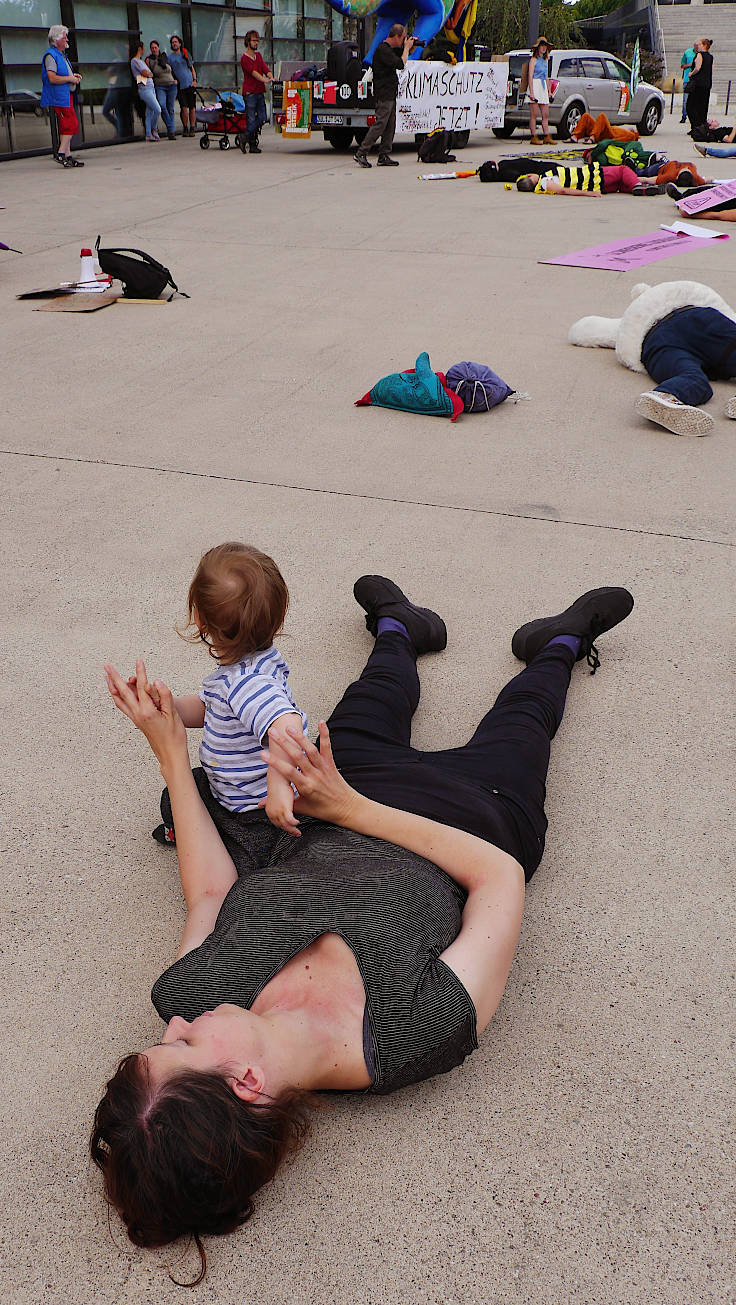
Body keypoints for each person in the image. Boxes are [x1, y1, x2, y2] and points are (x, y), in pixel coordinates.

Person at [93, 574, 634, 1272]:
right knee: (526, 718)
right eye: (183, 1042)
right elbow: (498, 876)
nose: (170, 1019)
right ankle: (559, 643)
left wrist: (171, 749)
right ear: (247, 1082)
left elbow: (209, 891)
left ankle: (400, 628)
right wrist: (348, 809)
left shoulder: (195, 995)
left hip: (334, 793)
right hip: (473, 814)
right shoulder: (409, 1034)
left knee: (376, 693)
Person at [151, 542, 308, 846]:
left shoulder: (246, 684)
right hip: (237, 789)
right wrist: (170, 708)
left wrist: (278, 787)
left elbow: (288, 726)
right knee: (188, 788)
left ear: (199, 618)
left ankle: (196, 837)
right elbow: (212, 710)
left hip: (255, 810)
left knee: (177, 800)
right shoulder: (248, 669)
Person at [569, 280, 736, 436]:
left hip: (656, 341)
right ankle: (665, 399)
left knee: (691, 377)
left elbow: (583, 330)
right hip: (695, 319)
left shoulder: (625, 326)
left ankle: (666, 395)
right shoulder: (690, 298)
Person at [354, 24, 416, 168]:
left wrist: (410, 47)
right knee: (380, 124)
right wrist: (406, 48)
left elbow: (403, 54)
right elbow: (400, 64)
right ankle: (361, 152)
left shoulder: (389, 50)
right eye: (402, 38)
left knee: (390, 125)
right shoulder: (383, 50)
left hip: (390, 92)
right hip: (384, 93)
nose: (403, 42)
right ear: (397, 36)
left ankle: (384, 155)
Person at [40, 24, 83, 168]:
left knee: (66, 126)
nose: (66, 39)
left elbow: (62, 74)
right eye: (64, 37)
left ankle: (68, 156)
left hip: (65, 95)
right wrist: (70, 79)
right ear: (57, 39)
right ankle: (60, 153)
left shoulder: (61, 55)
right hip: (59, 97)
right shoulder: (51, 56)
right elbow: (52, 78)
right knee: (71, 124)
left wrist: (73, 76)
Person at [516, 163, 664, 197]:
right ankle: (639, 185)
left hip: (598, 184)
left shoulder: (542, 184)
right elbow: (563, 190)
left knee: (621, 183)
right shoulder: (545, 181)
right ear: (530, 178)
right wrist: (588, 193)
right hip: (593, 176)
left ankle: (644, 188)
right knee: (622, 170)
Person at [240, 31, 272, 154]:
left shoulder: (258, 56)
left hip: (259, 92)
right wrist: (265, 80)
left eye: (257, 41)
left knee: (263, 117)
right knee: (251, 119)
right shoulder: (244, 58)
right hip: (250, 93)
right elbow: (254, 73)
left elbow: (264, 68)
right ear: (248, 42)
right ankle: (252, 144)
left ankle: (245, 136)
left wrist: (270, 76)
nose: (256, 43)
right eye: (254, 40)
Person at [131, 40, 162, 141]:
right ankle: (154, 129)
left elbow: (149, 73)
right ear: (140, 49)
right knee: (158, 109)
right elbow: (145, 73)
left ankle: (148, 134)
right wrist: (149, 74)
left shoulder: (141, 61)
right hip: (145, 89)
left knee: (150, 112)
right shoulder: (135, 61)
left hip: (150, 87)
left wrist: (149, 74)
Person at [525, 36, 553, 146]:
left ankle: (547, 135)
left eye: (545, 46)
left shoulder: (545, 60)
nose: (543, 48)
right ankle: (534, 136)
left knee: (545, 113)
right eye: (542, 46)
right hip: (535, 85)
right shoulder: (533, 60)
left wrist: (549, 91)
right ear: (538, 48)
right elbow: (530, 76)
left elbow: (546, 77)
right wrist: (531, 92)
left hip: (542, 86)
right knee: (534, 114)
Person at [146, 40, 177, 140]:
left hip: (171, 85)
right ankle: (171, 128)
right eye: (152, 48)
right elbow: (148, 73)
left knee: (171, 109)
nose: (154, 49)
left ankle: (170, 132)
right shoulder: (149, 60)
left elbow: (171, 70)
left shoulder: (164, 57)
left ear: (159, 47)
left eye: (155, 47)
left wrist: (175, 79)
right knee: (162, 105)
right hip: (160, 86)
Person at [168, 35, 197, 137]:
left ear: (179, 43)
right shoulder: (170, 57)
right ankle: (185, 127)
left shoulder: (185, 53)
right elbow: (169, 71)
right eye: (172, 42)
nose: (174, 44)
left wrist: (194, 80)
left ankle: (192, 127)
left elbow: (191, 67)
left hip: (189, 82)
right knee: (183, 107)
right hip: (180, 86)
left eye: (176, 42)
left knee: (192, 107)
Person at [685, 39, 713, 133]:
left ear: (704, 45)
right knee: (703, 106)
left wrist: (691, 73)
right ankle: (702, 127)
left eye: (700, 44)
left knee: (691, 105)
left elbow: (698, 67)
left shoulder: (700, 55)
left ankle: (695, 126)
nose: (698, 46)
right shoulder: (710, 56)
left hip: (698, 84)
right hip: (707, 84)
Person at [680, 44, 695, 124]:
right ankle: (684, 116)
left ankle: (693, 117)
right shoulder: (687, 52)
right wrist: (690, 65)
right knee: (685, 99)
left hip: (696, 80)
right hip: (687, 79)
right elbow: (682, 65)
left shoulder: (701, 54)